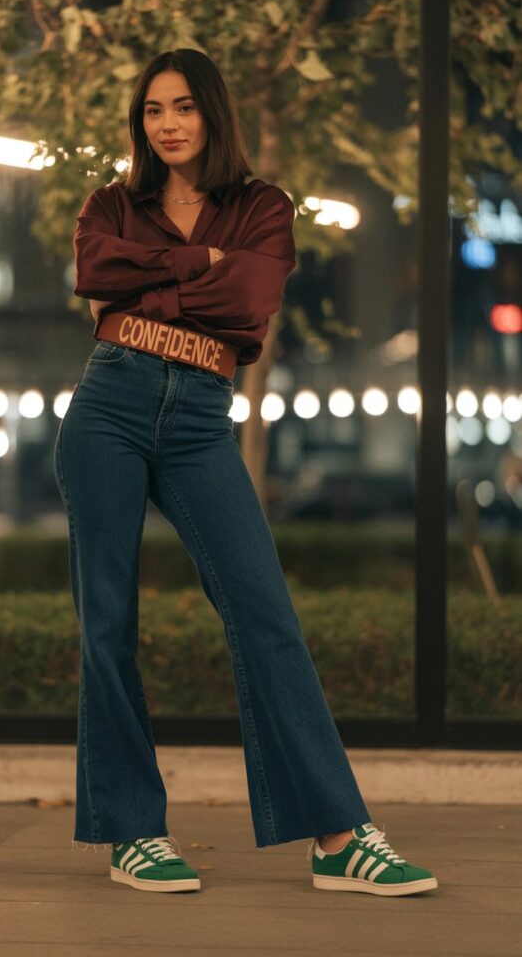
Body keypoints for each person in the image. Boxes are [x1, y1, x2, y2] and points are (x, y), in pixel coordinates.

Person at [53, 48, 438, 898]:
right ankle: (132, 833)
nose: (168, 124)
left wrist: (154, 278)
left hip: (198, 418)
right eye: (153, 111)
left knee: (265, 616)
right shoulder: (110, 204)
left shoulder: (262, 205)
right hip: (107, 408)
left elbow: (249, 301)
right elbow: (93, 273)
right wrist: (197, 267)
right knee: (106, 623)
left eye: (184, 107)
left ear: (212, 113)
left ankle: (337, 836)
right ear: (139, 124)